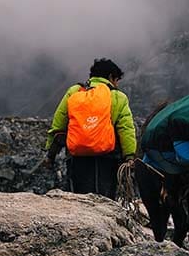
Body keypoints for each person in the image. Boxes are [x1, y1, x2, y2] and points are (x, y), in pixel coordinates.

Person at [44, 58, 136, 199]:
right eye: (117, 80)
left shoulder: (75, 91)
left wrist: (51, 154)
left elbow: (58, 124)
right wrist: (129, 156)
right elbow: (126, 128)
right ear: (111, 77)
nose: (117, 84)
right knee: (105, 198)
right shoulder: (118, 96)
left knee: (78, 196)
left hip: (77, 156)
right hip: (108, 157)